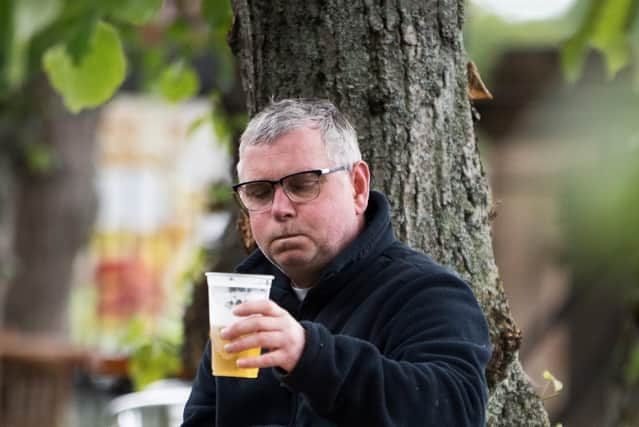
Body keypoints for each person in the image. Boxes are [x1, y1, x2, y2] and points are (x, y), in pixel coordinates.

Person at [182, 99, 491, 426]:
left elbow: (457, 411)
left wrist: (310, 355)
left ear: (357, 187)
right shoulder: (245, 300)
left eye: (302, 185)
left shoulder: (425, 292)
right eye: (259, 193)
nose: (280, 208)